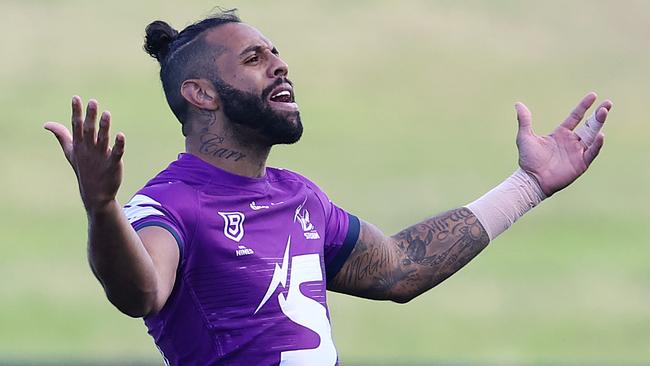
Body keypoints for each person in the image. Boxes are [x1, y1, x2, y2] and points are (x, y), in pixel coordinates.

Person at [44, 9, 612, 366]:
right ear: (202, 94)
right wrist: (101, 206)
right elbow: (141, 292)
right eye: (254, 58)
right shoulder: (170, 203)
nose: (280, 66)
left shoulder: (300, 197)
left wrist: (528, 185)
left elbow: (399, 268)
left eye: (277, 54)